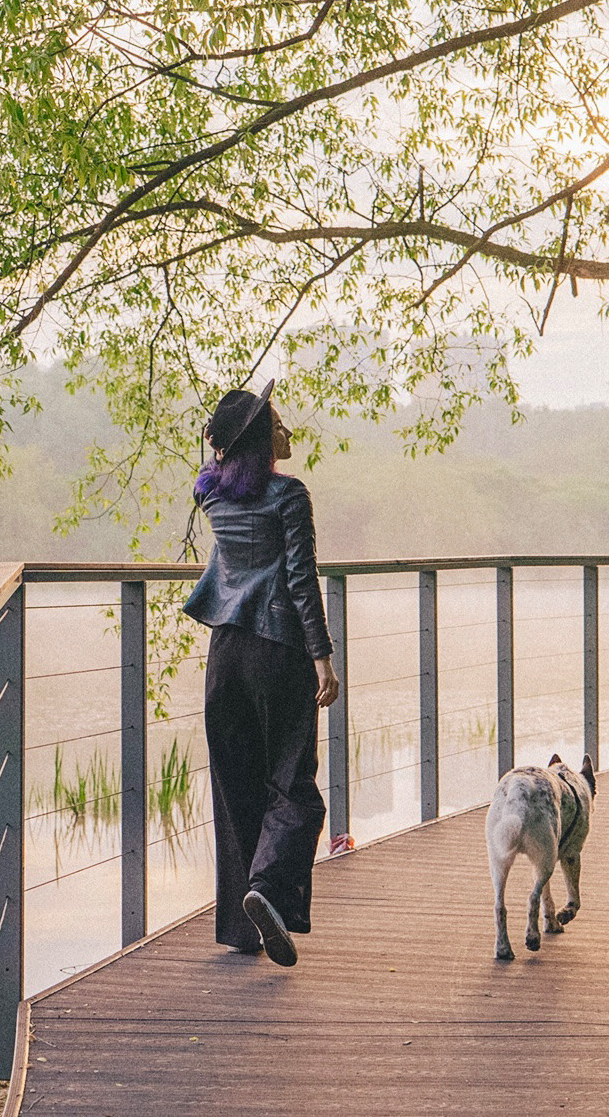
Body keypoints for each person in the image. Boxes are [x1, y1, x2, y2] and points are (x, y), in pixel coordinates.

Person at [182, 381, 340, 967]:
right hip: (279, 653)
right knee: (293, 786)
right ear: (257, 440)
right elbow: (302, 580)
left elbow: (211, 469)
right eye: (276, 423)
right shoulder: (290, 497)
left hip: (225, 658)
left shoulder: (212, 498)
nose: (287, 432)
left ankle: (242, 928)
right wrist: (321, 657)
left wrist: (220, 445)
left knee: (236, 787)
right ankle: (267, 890)